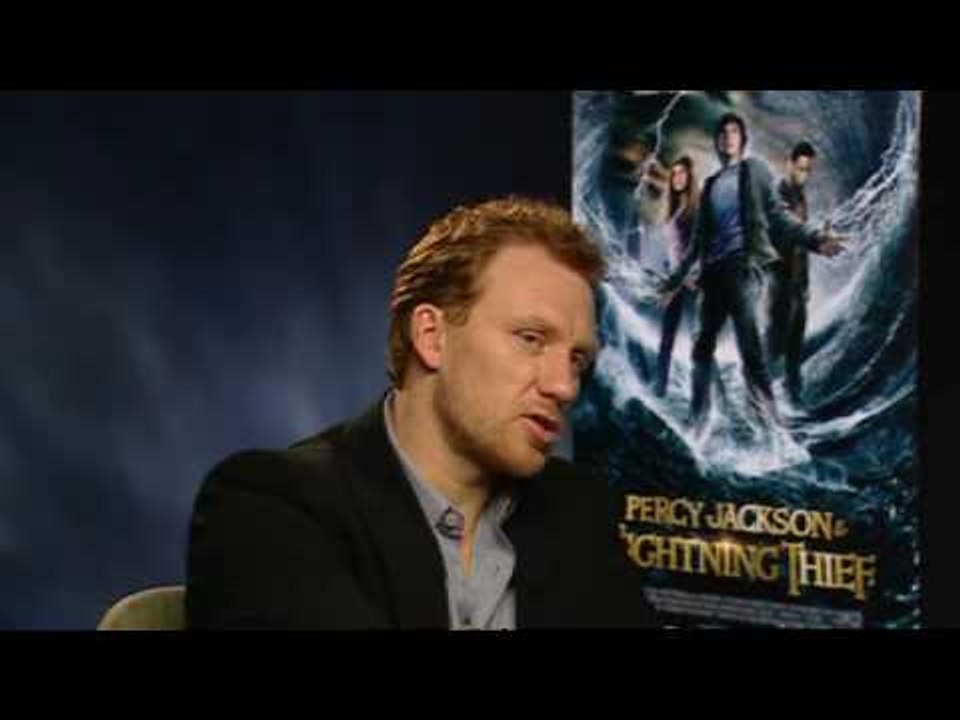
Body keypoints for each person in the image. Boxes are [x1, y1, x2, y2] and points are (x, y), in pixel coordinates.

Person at [186, 197, 656, 629]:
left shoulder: (581, 514)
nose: (564, 386)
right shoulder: (272, 505)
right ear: (432, 337)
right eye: (531, 339)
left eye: (577, 359)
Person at [658, 113, 846, 431]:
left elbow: (778, 216)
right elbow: (697, 245)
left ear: (742, 140)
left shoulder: (755, 170)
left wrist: (814, 239)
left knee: (750, 350)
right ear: (717, 142)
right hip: (713, 276)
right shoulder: (710, 185)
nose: (728, 136)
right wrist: (673, 282)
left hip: (742, 271)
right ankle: (698, 419)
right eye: (723, 132)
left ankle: (771, 424)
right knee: (701, 350)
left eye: (734, 131)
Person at [767, 140, 818, 404]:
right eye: (800, 169)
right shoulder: (778, 193)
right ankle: (758, 395)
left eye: (808, 170)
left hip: (797, 282)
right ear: (789, 164)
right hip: (780, 280)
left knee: (795, 345)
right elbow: (786, 231)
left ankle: (793, 397)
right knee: (775, 342)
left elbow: (801, 244)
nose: (803, 175)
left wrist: (805, 283)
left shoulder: (800, 194)